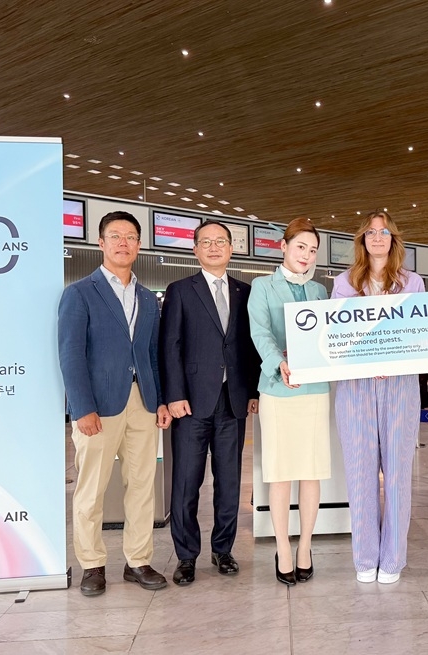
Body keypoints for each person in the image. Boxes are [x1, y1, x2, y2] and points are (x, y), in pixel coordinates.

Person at [58, 211, 172, 597]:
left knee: (141, 486)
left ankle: (138, 560)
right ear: (101, 243)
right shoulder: (79, 293)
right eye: (115, 236)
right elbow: (71, 355)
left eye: (131, 237)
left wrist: (160, 400)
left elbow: (153, 353)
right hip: (99, 409)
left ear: (139, 245)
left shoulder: (147, 298)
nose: (123, 242)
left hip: (143, 404)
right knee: (91, 490)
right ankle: (92, 564)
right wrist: (81, 407)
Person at [160, 220, 260, 586]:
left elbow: (250, 347)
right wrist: (173, 395)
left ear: (231, 248)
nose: (214, 247)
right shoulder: (180, 290)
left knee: (229, 482)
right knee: (186, 483)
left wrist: (252, 391)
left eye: (221, 242)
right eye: (207, 242)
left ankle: (223, 549)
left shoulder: (246, 292)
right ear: (195, 249)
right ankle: (186, 556)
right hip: (190, 404)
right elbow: (169, 346)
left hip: (232, 402)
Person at [332, 210, 425, 584]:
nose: (377, 237)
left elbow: (419, 333)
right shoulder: (343, 282)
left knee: (399, 472)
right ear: (362, 240)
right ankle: (365, 558)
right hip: (355, 386)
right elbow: (336, 337)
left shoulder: (412, 282)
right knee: (359, 473)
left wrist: (392, 358)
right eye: (370, 232)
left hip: (400, 384)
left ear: (393, 239)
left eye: (384, 231)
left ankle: (393, 561)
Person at [247, 218, 331, 586]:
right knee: (281, 473)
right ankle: (283, 546)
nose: (307, 255)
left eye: (312, 250)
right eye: (301, 247)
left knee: (311, 471)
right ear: (283, 246)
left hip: (314, 391)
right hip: (278, 390)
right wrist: (278, 363)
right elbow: (260, 331)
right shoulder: (262, 286)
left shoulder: (320, 291)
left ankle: (305, 546)